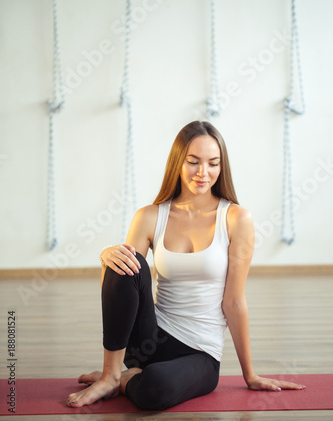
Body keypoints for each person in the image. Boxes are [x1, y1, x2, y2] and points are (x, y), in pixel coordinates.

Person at [67, 120, 305, 410]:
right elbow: (124, 281)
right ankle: (110, 375)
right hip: (149, 340)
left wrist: (250, 374)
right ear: (178, 162)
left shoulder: (237, 219)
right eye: (193, 162)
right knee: (125, 260)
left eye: (213, 163)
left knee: (155, 389)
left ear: (222, 167)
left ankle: (126, 380)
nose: (203, 173)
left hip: (200, 353)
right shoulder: (150, 216)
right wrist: (106, 254)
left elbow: (234, 302)